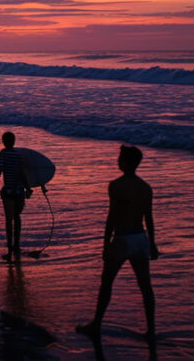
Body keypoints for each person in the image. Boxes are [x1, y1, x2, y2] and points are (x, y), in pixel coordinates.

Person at [77, 145, 159, 341]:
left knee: (107, 283)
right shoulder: (145, 187)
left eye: (120, 158)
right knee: (145, 286)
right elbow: (149, 218)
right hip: (140, 238)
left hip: (122, 238)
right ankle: (151, 330)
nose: (117, 160)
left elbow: (112, 217)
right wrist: (153, 244)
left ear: (127, 162)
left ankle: (96, 324)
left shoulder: (116, 185)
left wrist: (105, 244)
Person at [0, 131, 32, 262]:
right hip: (19, 192)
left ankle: (9, 250)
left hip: (8, 192)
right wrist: (28, 188)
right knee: (17, 217)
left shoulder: (3, 154)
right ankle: (16, 246)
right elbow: (24, 174)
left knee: (9, 220)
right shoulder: (19, 155)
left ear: (3, 141)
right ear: (14, 141)